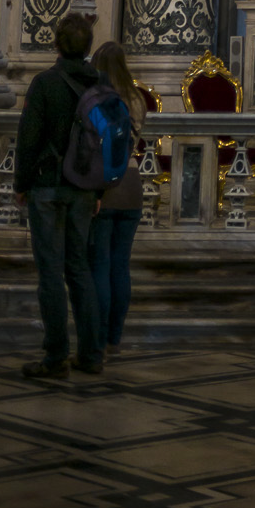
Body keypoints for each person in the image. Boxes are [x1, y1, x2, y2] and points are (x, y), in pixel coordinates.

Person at [14, 12, 104, 378]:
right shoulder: (100, 86)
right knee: (79, 268)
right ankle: (92, 355)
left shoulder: (45, 84)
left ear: (56, 43)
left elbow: (29, 138)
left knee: (50, 272)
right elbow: (102, 143)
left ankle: (54, 357)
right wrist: (98, 188)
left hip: (48, 186)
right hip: (84, 188)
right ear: (87, 47)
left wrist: (21, 184)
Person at [86, 40, 146, 356]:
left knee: (100, 263)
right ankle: (114, 338)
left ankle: (97, 338)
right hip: (133, 183)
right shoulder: (136, 99)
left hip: (105, 186)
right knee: (120, 265)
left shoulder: (97, 100)